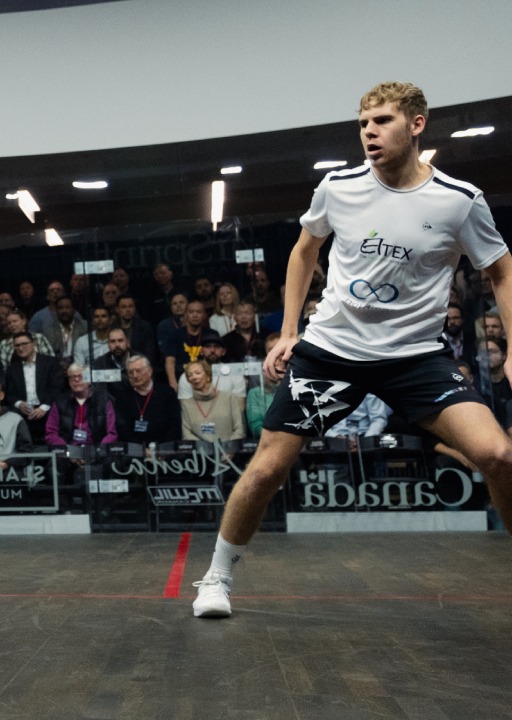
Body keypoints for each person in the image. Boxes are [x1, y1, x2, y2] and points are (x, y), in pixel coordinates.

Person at [192, 82, 512, 620]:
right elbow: (304, 250)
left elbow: (501, 270)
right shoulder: (338, 186)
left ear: (416, 125)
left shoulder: (459, 201)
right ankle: (216, 577)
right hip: (331, 353)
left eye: (382, 121)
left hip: (416, 358)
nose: (369, 132)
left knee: (499, 455)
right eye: (363, 123)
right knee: (267, 470)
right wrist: (288, 331)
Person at [4, 332, 66, 444]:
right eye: (17, 345)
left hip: (48, 410)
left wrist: (44, 408)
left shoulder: (50, 362)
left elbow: (58, 388)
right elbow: (9, 394)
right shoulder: (12, 368)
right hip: (23, 414)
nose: (21, 348)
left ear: (33, 344)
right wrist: (19, 403)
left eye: (24, 344)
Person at [110, 354, 183, 446]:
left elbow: (175, 424)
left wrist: (162, 448)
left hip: (164, 448)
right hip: (135, 449)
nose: (135, 375)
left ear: (150, 371)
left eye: (138, 371)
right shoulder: (122, 397)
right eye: (131, 373)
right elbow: (123, 428)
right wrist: (140, 449)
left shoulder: (167, 393)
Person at [179, 360, 245, 443]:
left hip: (230, 448)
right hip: (200, 450)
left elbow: (239, 429)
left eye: (197, 373)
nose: (194, 377)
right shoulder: (187, 404)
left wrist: (229, 447)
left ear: (208, 376)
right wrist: (203, 448)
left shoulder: (229, 398)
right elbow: (186, 434)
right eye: (190, 375)